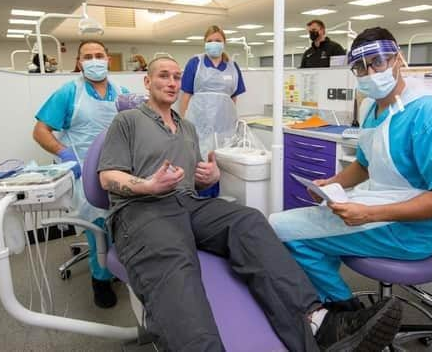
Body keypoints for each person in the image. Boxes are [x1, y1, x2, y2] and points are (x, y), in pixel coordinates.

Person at [98, 56, 403, 352]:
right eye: (164, 75)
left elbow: (191, 179)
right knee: (173, 257)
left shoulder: (187, 128)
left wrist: (210, 175)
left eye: (177, 77)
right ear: (147, 81)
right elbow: (107, 177)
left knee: (249, 221)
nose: (172, 82)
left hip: (188, 203)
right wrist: (147, 185)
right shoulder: (128, 121)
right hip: (143, 208)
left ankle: (318, 324)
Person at [270, 27, 432, 308]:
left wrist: (369, 214)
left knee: (280, 228)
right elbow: (364, 165)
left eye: (378, 61)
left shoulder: (430, 114)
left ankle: (344, 312)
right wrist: (333, 183)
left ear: (397, 59)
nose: (371, 73)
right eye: (361, 68)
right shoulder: (370, 109)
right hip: (379, 206)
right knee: (303, 230)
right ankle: (326, 302)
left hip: (411, 229)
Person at [33, 40, 130, 308]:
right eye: (88, 56)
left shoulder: (122, 92)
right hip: (84, 169)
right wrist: (66, 154)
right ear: (79, 62)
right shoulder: (68, 92)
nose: (94, 60)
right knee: (98, 222)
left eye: (99, 55)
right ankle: (100, 280)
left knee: (126, 217)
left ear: (108, 59)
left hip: (119, 166)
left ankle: (120, 264)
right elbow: (40, 131)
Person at [179, 25, 247, 197]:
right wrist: (181, 121)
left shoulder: (232, 67)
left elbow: (233, 97)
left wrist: (232, 122)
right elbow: (186, 94)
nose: (213, 44)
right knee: (202, 163)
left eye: (217, 40)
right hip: (198, 123)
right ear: (204, 43)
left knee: (223, 162)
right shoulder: (196, 63)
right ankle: (201, 200)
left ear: (224, 43)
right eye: (209, 41)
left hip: (224, 125)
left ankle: (221, 200)